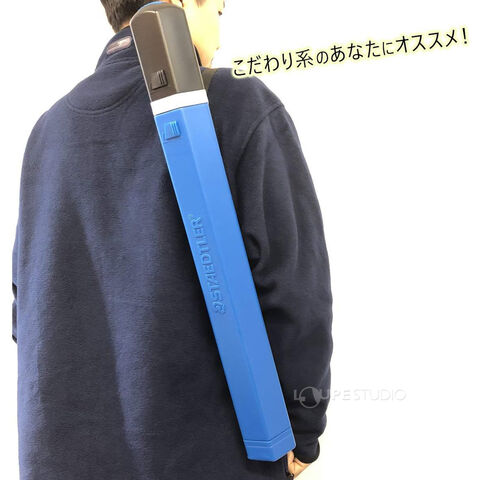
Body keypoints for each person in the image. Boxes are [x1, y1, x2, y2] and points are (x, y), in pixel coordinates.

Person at [11, 0, 333, 478]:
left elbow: (26, 310)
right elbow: (296, 296)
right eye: (218, 12)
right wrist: (303, 431)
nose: (219, 35)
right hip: (203, 457)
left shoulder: (47, 130)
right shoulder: (235, 104)